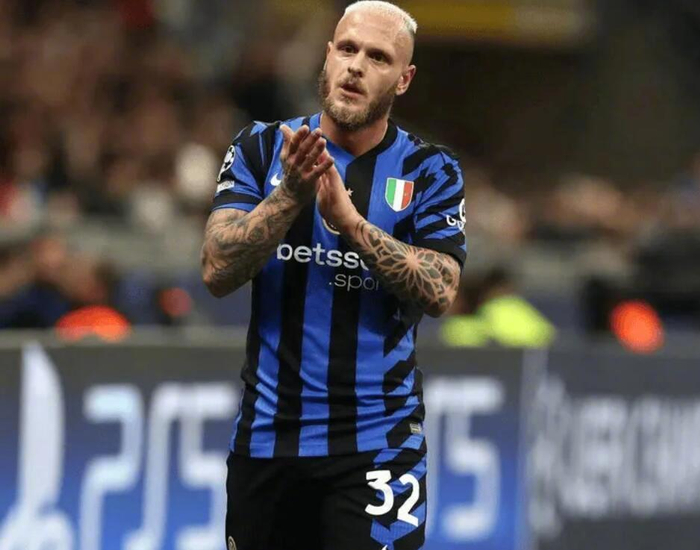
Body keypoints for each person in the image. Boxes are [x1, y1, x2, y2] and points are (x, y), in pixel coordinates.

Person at [200, 2, 466, 549]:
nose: (356, 66)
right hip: (268, 440)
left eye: (378, 57)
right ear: (327, 56)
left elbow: (442, 289)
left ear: (404, 79)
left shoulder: (430, 170)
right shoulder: (261, 148)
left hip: (379, 441)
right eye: (346, 49)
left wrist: (351, 224)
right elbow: (216, 270)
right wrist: (288, 197)